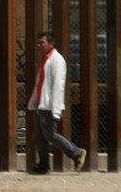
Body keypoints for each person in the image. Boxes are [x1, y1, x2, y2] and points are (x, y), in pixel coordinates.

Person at [27, 31, 87, 174]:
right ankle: (43, 166)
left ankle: (76, 152)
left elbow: (58, 85)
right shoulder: (45, 59)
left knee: (50, 135)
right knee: (41, 137)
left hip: (49, 106)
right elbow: (41, 84)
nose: (39, 45)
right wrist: (35, 101)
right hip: (41, 104)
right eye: (39, 43)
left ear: (51, 43)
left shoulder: (57, 60)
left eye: (42, 42)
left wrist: (56, 109)